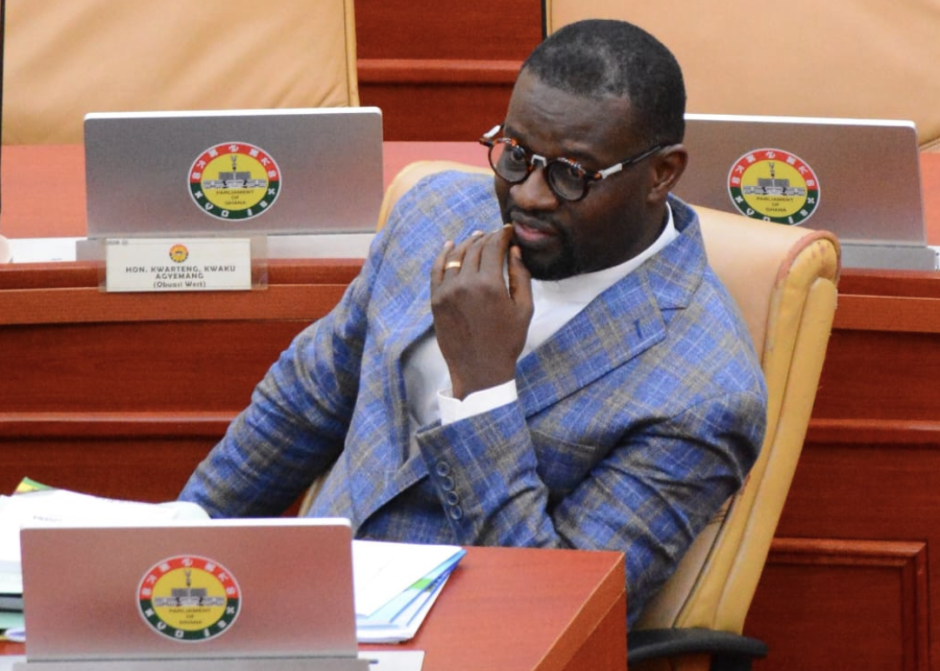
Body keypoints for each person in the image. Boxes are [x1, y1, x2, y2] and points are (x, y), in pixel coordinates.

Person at [179, 18, 767, 626]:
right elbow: (305, 403)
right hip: (301, 608)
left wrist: (482, 392)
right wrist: (179, 547)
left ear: (662, 173)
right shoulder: (435, 213)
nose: (529, 196)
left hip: (467, 640)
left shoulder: (706, 394)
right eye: (516, 154)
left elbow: (557, 614)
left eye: (572, 173)